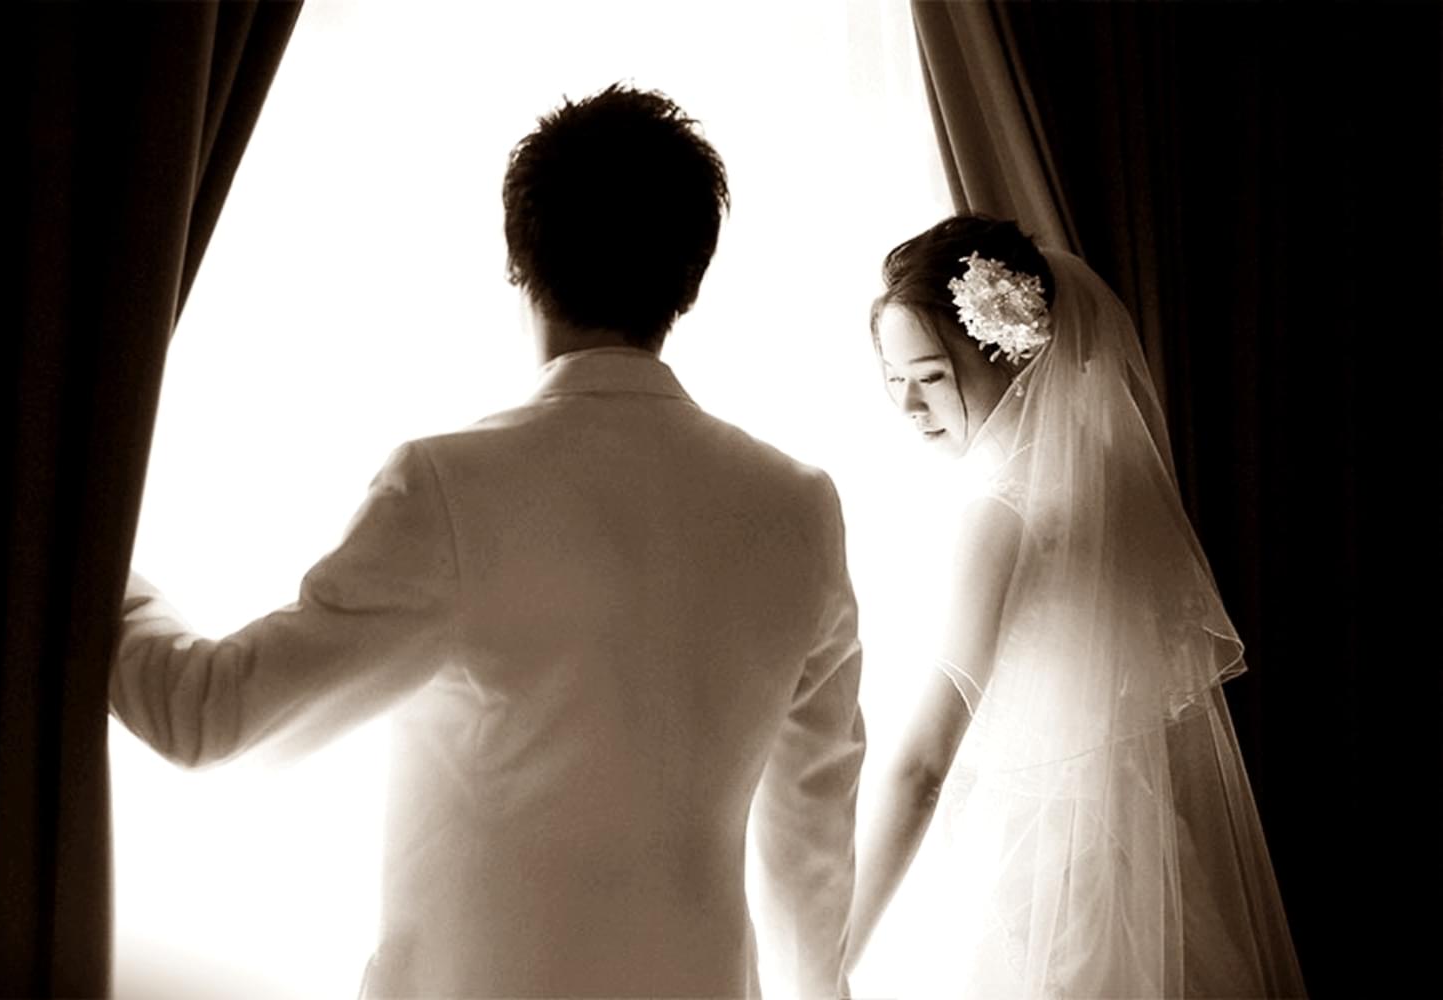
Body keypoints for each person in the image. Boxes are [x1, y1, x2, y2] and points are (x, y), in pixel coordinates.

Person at [110, 83, 865, 999]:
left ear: (518, 256)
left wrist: (89, 570)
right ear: (691, 279)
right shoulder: (798, 507)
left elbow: (208, 718)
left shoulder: (450, 487)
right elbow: (814, 841)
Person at [846, 214, 1306, 998]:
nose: (911, 408)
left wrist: (838, 942)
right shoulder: (1103, 475)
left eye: (932, 375)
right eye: (895, 380)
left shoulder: (999, 511)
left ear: (1011, 350)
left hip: (1034, 885)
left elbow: (923, 763)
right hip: (1137, 859)